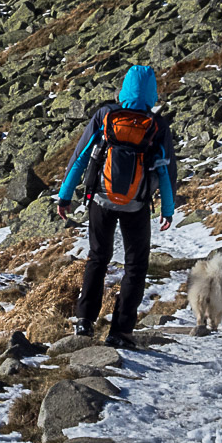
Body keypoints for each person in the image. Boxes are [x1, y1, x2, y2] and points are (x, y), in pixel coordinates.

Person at [56, 65, 178, 349]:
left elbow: (81, 157)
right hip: (136, 204)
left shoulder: (106, 115)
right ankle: (120, 332)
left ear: (124, 87)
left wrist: (65, 195)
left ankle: (84, 322)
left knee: (98, 258)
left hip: (100, 198)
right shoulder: (157, 125)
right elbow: (166, 172)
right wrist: (167, 209)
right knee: (135, 265)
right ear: (152, 92)